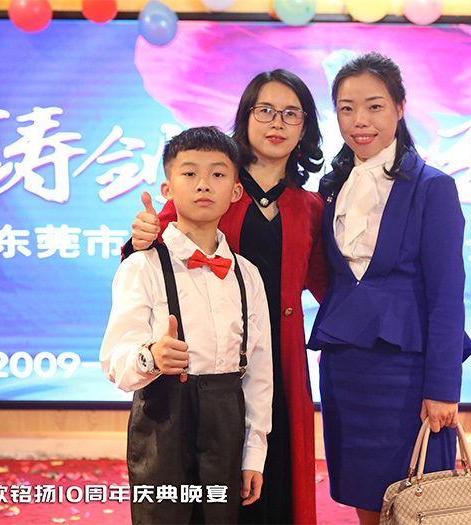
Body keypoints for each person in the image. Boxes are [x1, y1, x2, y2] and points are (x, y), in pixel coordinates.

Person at [122, 69, 328, 524]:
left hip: (281, 357)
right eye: (265, 110)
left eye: (291, 113)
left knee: (275, 472)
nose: (277, 122)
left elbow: (329, 287)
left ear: (305, 126)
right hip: (211, 361)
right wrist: (138, 237)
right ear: (245, 117)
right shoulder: (213, 183)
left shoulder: (311, 207)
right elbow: (153, 249)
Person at [307, 52, 471, 524]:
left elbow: (447, 297)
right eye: (346, 108)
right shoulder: (331, 188)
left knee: (420, 499)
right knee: (364, 492)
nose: (359, 120)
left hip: (408, 373)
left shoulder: (432, 187)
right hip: (346, 368)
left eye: (374, 106)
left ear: (400, 108)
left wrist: (443, 389)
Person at [100, 126, 274, 524]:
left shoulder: (247, 275)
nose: (203, 184)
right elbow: (114, 361)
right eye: (190, 173)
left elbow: (259, 372)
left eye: (217, 174)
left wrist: (254, 453)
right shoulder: (142, 266)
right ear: (167, 189)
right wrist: (152, 357)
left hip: (226, 422)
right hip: (163, 422)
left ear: (235, 191)